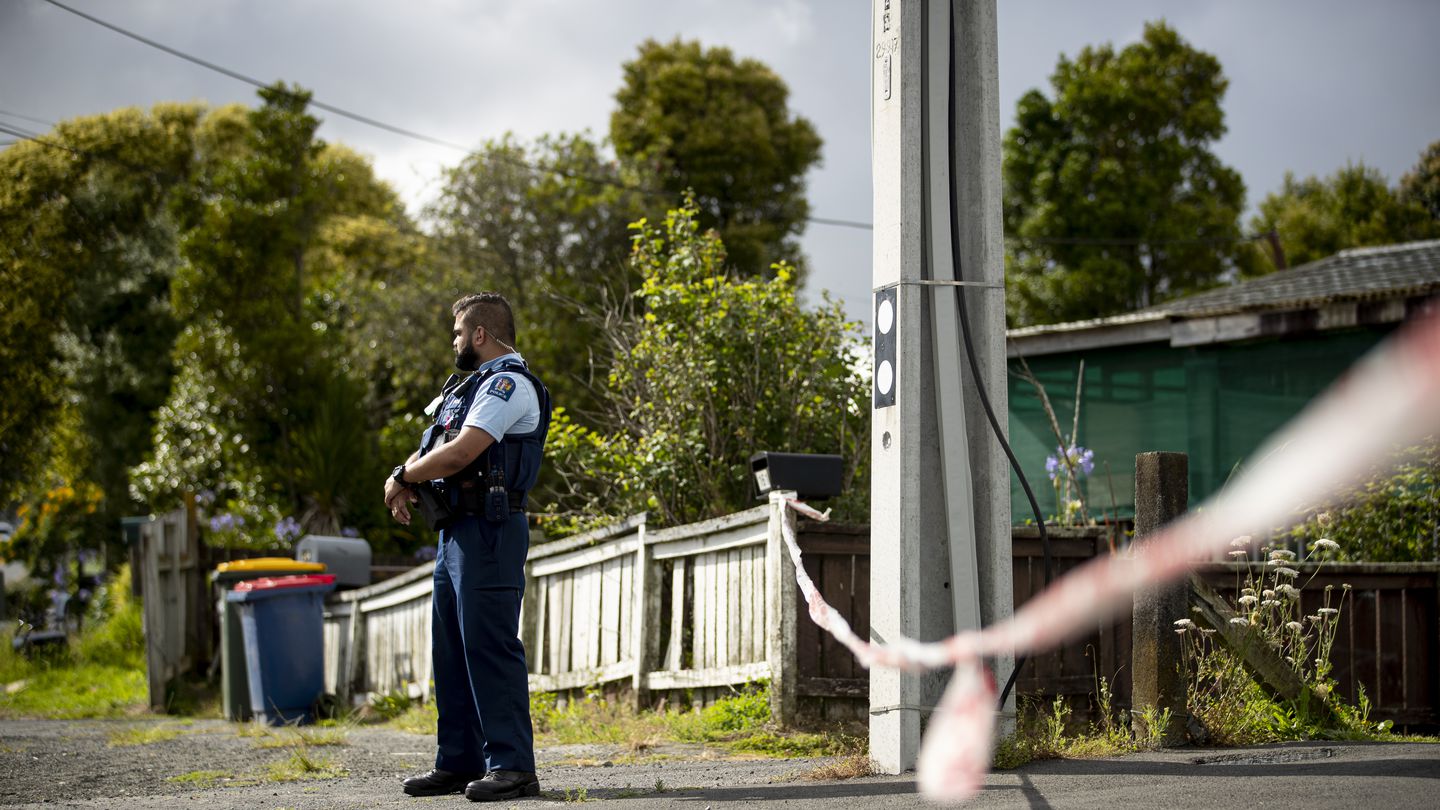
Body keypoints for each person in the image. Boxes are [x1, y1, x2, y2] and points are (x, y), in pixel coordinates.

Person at [384, 292, 551, 802]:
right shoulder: (467, 388)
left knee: (489, 646)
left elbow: (462, 452)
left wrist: (400, 474)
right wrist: (411, 474)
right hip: (455, 532)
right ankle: (457, 763)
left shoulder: (507, 384)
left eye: (458, 333)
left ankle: (512, 766)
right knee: (451, 652)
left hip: (490, 530)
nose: (453, 341)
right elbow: (438, 440)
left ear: (480, 335)